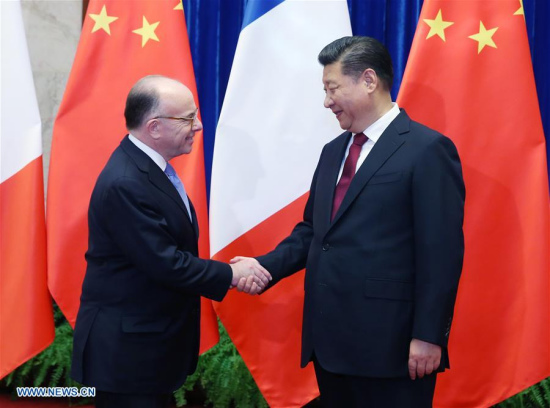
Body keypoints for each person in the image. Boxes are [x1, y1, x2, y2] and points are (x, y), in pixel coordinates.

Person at [233, 36, 465, 407]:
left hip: (393, 347)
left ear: (369, 81)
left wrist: (428, 335)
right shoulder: (333, 151)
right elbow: (314, 231)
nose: (326, 101)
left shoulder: (427, 149)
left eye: (332, 88)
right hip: (330, 344)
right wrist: (263, 266)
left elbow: (441, 253)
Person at [71, 75, 271, 408]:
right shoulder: (126, 183)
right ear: (154, 127)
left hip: (148, 348)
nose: (198, 125)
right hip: (128, 356)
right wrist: (233, 275)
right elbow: (166, 263)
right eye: (188, 118)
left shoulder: (147, 169)